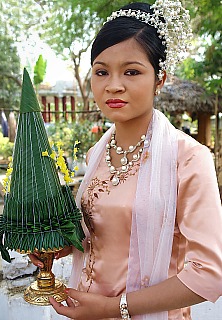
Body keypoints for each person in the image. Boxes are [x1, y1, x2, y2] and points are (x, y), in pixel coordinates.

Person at [30, 1, 222, 319]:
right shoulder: (96, 154)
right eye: (102, 72)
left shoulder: (188, 159)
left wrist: (113, 308)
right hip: (85, 309)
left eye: (131, 71)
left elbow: (211, 274)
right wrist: (60, 247)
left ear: (160, 79)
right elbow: (102, 236)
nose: (113, 85)